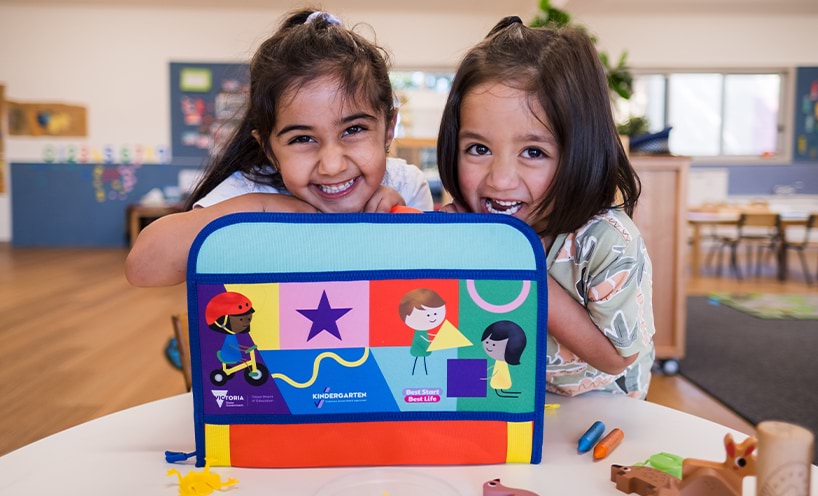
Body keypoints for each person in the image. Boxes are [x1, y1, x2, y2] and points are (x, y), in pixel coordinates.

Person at [126, 9, 433, 287]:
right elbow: (144, 267)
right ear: (270, 149)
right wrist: (258, 208)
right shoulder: (250, 192)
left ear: (388, 129)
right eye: (302, 138)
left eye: (353, 130)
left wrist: (400, 224)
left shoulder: (405, 185)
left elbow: (426, 293)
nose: (332, 165)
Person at [437, 17, 655, 399]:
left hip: (600, 407)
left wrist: (525, 268)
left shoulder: (606, 241)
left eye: (533, 152)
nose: (500, 179)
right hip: (508, 396)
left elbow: (616, 359)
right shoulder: (466, 225)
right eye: (478, 149)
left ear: (578, 154)